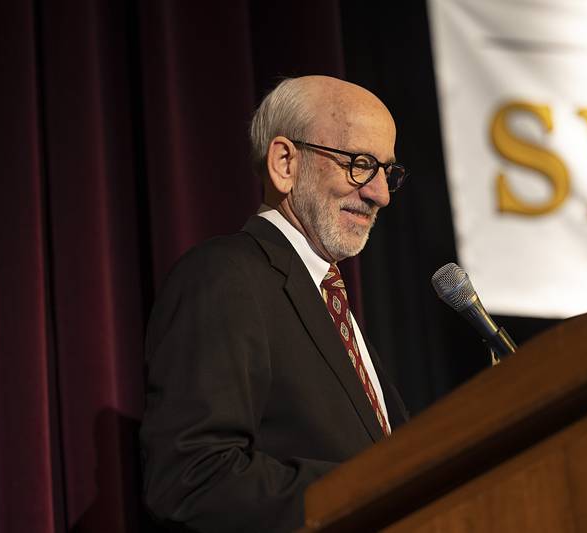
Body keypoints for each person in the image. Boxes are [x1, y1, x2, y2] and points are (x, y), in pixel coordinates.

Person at [140, 75, 409, 532]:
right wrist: (368, 489)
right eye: (360, 163)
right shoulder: (226, 276)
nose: (380, 193)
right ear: (285, 162)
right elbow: (191, 475)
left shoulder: (329, 302)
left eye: (388, 171)